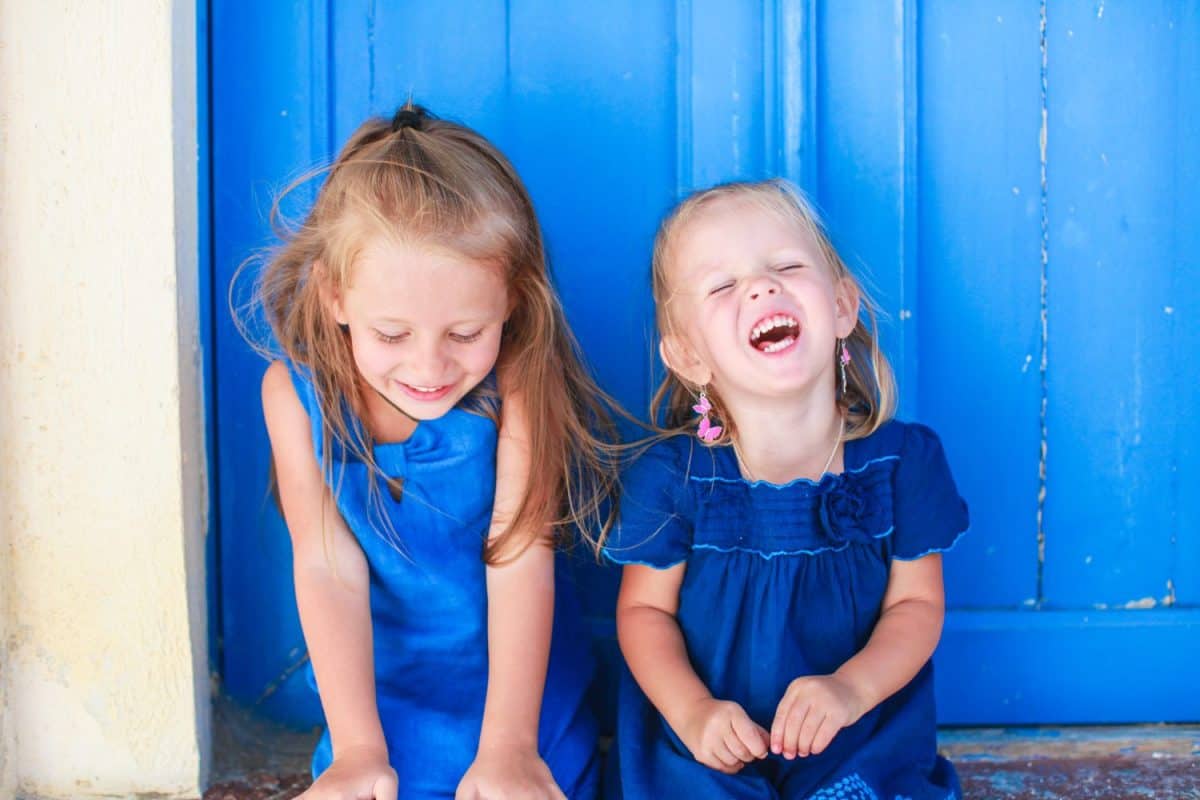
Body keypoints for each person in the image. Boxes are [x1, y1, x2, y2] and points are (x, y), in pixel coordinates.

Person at [244, 103, 616, 799]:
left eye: (466, 331)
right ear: (334, 296)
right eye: (391, 335)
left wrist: (509, 747)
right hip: (382, 699)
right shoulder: (291, 396)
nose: (430, 366)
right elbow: (326, 565)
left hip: (521, 693)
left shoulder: (519, 382)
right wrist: (358, 748)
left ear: (510, 300)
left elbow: (519, 554)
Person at [603, 179, 969, 799]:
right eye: (722, 285)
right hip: (707, 741)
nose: (760, 285)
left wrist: (851, 690)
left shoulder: (904, 461)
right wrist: (691, 712)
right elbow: (643, 614)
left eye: (787, 266)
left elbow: (917, 606)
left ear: (842, 307)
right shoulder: (672, 479)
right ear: (689, 356)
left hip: (858, 731)